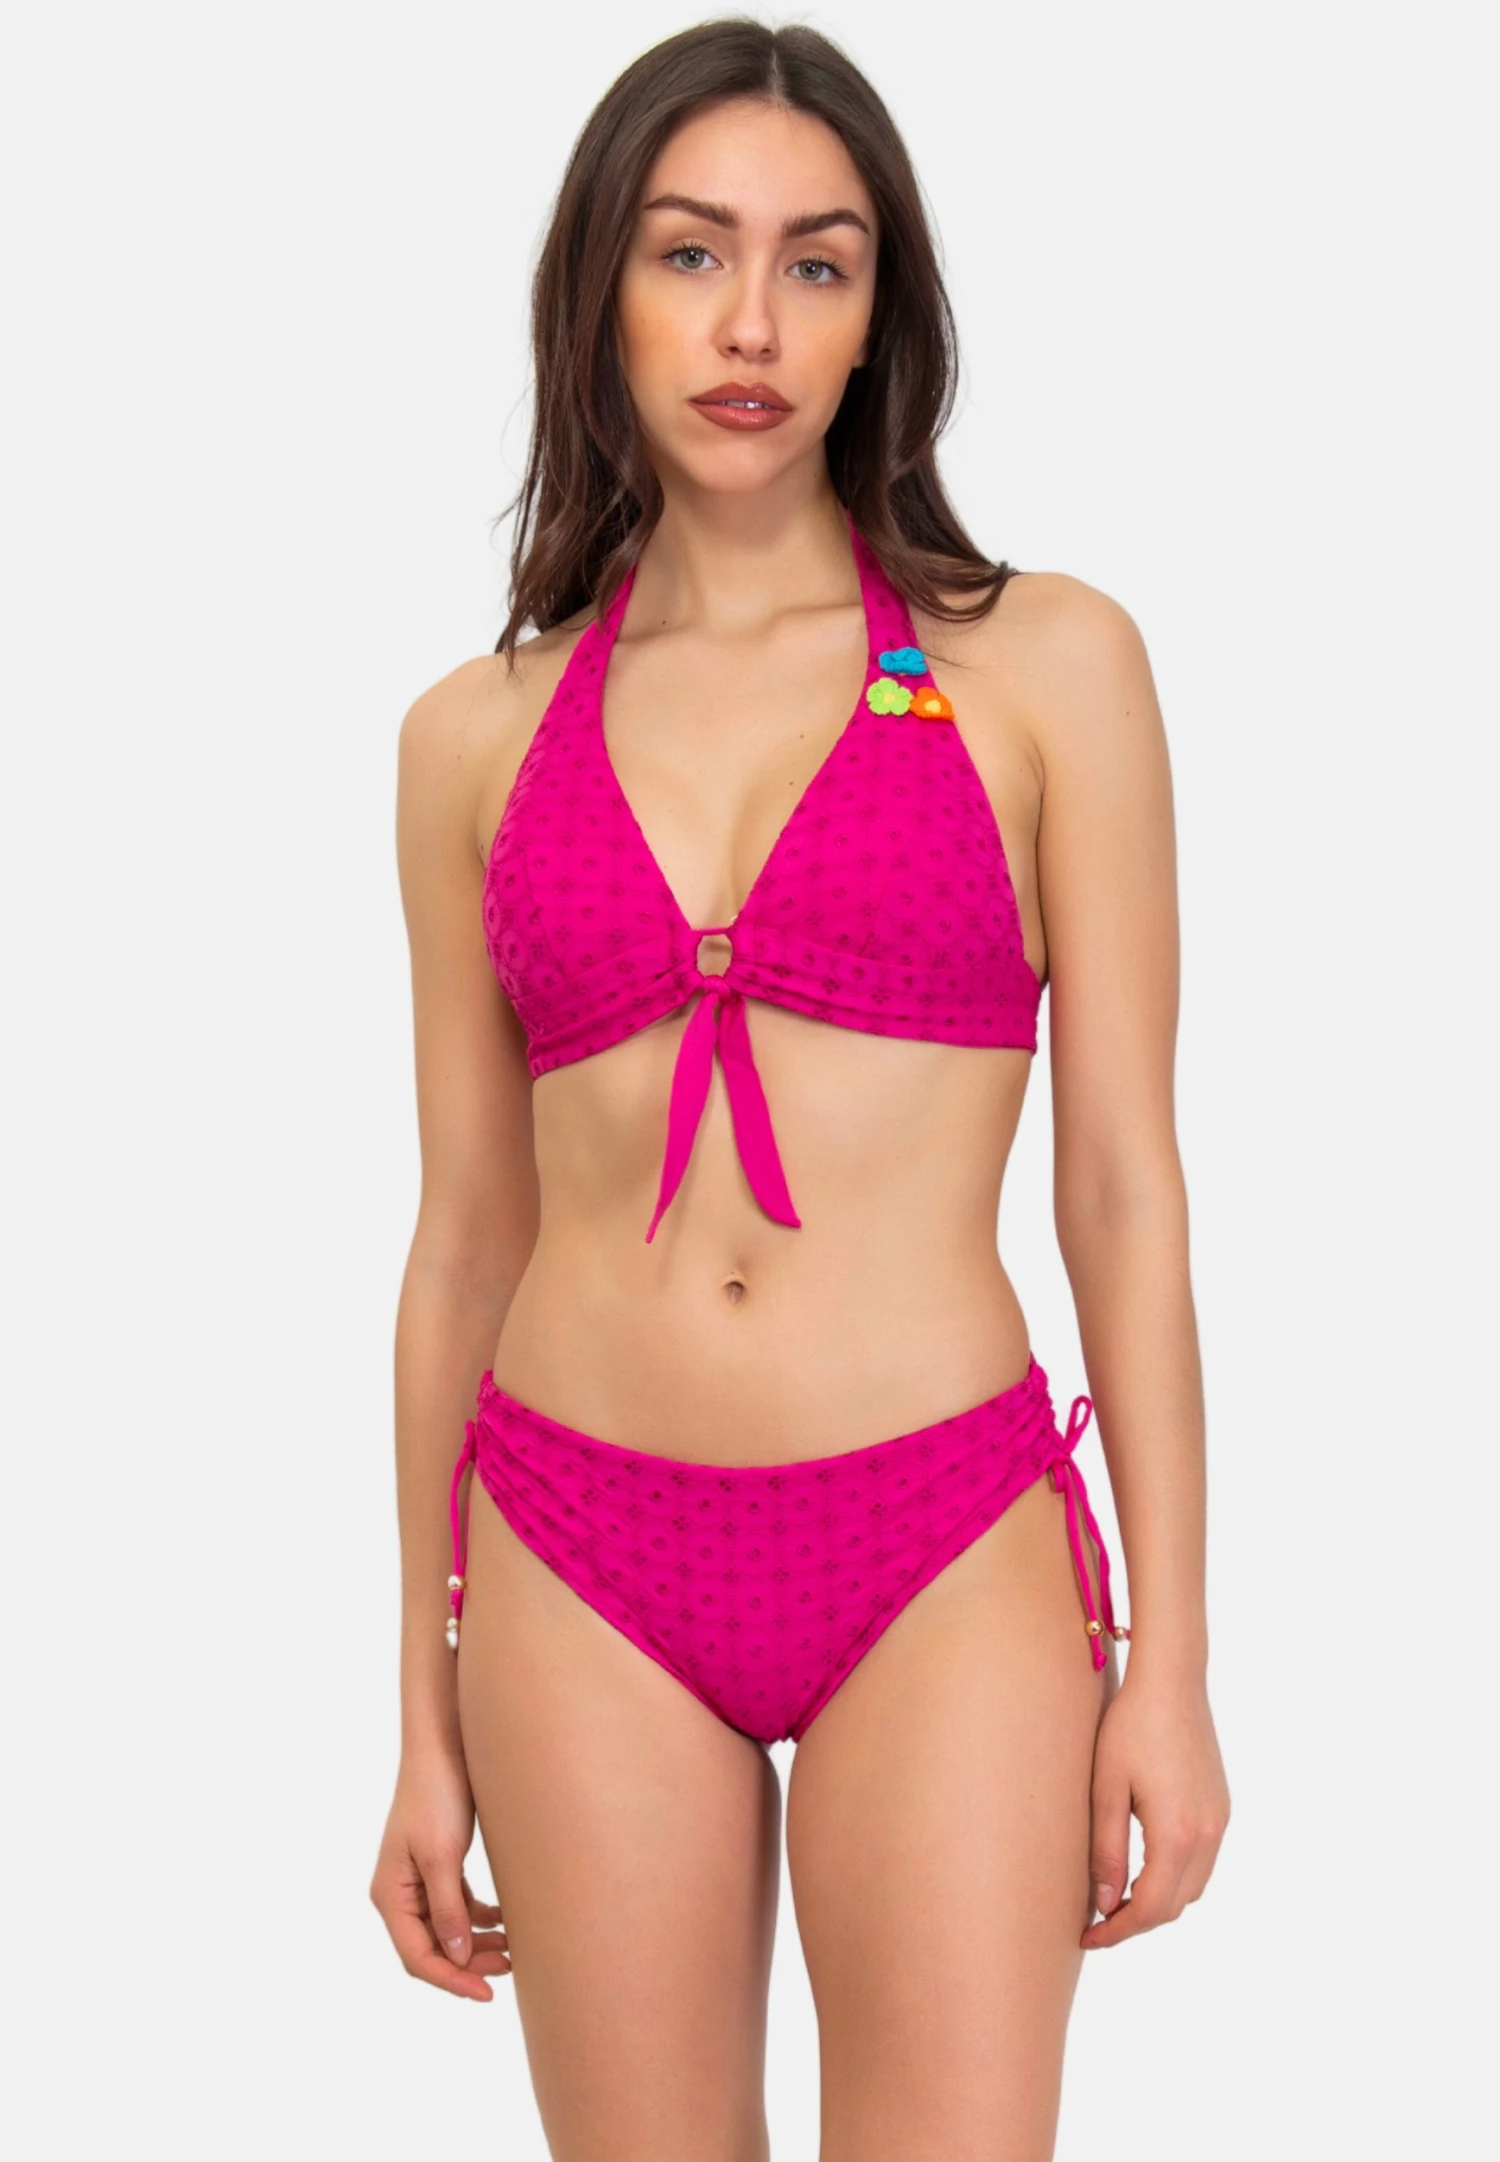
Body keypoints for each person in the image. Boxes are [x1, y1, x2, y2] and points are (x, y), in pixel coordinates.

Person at [370, 18, 1230, 2158]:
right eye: (691, 253)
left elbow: (1123, 1186)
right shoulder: (475, 736)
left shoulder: (1048, 663)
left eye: (816, 264)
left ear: (878, 320)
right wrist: (417, 1700)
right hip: (572, 1549)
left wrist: (1179, 1661)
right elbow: (464, 1236)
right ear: (603, 294)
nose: (750, 323)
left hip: (941, 1538)